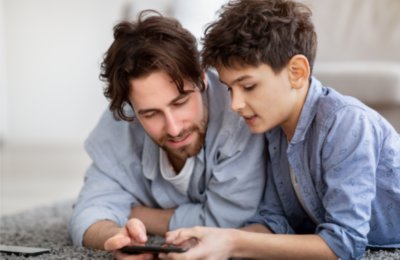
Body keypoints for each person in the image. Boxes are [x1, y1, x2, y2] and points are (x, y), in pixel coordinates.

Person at [163, 0, 400, 259]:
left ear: (296, 72)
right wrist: (214, 241)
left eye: (249, 86)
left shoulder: (346, 123)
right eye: (230, 88)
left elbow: (344, 244)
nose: (235, 105)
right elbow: (275, 221)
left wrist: (233, 242)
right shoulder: (272, 129)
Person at [68, 10, 267, 256]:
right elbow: (87, 213)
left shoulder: (238, 115)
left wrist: (136, 213)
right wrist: (115, 237)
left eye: (180, 101)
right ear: (131, 107)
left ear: (202, 77)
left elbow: (228, 224)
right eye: (151, 114)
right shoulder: (121, 124)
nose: (174, 128)